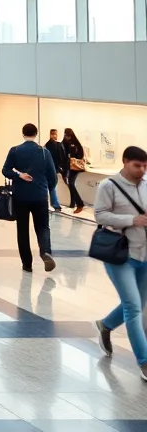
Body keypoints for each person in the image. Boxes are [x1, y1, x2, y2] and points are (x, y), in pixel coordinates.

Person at [94, 146, 147, 379]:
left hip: (144, 255)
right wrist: (131, 220)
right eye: (137, 165)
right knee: (133, 307)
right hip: (119, 255)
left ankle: (105, 325)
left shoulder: (146, 185)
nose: (142, 170)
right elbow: (100, 215)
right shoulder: (109, 186)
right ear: (125, 162)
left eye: (145, 166)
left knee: (136, 304)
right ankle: (144, 361)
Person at [2, 123, 57, 273]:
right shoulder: (45, 153)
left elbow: (5, 170)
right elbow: (53, 177)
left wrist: (18, 175)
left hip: (20, 196)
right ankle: (45, 251)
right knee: (43, 227)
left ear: (23, 133)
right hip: (39, 196)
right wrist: (49, 189)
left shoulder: (15, 151)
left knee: (22, 230)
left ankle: (27, 264)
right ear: (36, 133)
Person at [63, 127, 89, 213]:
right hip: (69, 166)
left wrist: (73, 157)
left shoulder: (75, 144)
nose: (67, 137)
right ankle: (72, 203)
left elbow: (80, 155)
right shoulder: (66, 142)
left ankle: (80, 204)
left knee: (71, 183)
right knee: (70, 183)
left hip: (75, 167)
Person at [45, 128, 67, 212]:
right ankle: (55, 205)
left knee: (49, 187)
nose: (54, 136)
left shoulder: (47, 145)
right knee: (52, 187)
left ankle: (53, 205)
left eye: (55, 134)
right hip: (53, 169)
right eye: (52, 134)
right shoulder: (56, 145)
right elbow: (61, 158)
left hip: (49, 169)